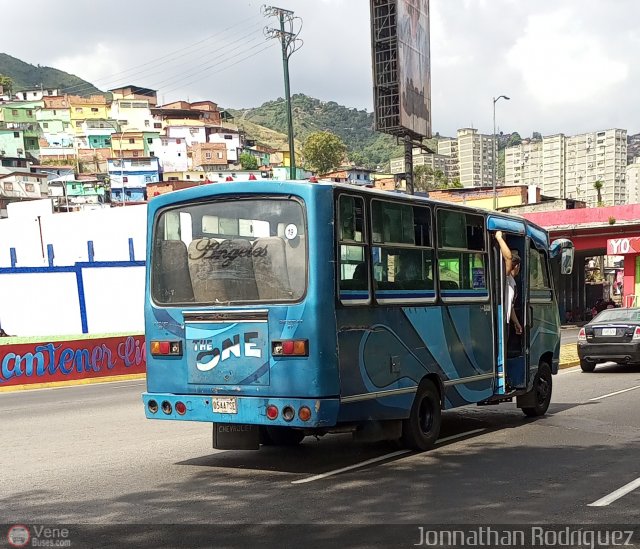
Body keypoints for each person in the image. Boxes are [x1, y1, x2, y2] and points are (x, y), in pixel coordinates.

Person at [495, 231, 522, 337]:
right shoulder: (505, 277)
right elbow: (508, 258)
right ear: (517, 267)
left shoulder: (512, 282)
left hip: (506, 321)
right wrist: (499, 237)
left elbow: (511, 307)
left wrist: (516, 322)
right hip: (501, 322)